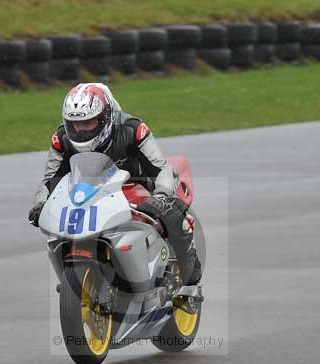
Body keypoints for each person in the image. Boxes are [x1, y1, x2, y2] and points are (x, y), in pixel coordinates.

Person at [28, 83, 202, 285]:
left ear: (105, 118)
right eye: (76, 125)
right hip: (92, 191)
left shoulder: (132, 129)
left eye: (89, 123)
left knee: (173, 213)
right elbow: (50, 180)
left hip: (140, 187)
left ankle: (190, 273)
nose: (82, 130)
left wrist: (160, 197)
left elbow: (162, 169)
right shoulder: (61, 139)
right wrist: (41, 204)